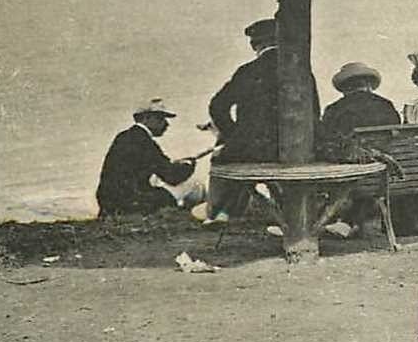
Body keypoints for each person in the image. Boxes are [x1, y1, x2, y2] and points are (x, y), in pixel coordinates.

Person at [206, 17, 320, 219]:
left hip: (253, 150)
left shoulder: (247, 72)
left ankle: (219, 211)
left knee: (221, 157)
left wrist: (234, 134)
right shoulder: (301, 71)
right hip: (296, 150)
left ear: (254, 45)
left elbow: (217, 106)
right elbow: (314, 112)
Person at [317, 62, 401, 238]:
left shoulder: (334, 109)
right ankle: (348, 222)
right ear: (369, 85)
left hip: (350, 176)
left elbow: (326, 141)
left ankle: (336, 221)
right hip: (383, 175)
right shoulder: (386, 106)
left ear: (345, 88)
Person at [95, 99, 204, 218]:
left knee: (156, 183)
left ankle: (179, 212)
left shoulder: (124, 136)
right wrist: (188, 165)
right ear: (146, 118)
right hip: (131, 203)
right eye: (160, 119)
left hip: (109, 201)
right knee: (196, 185)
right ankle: (188, 214)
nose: (166, 124)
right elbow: (172, 177)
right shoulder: (145, 141)